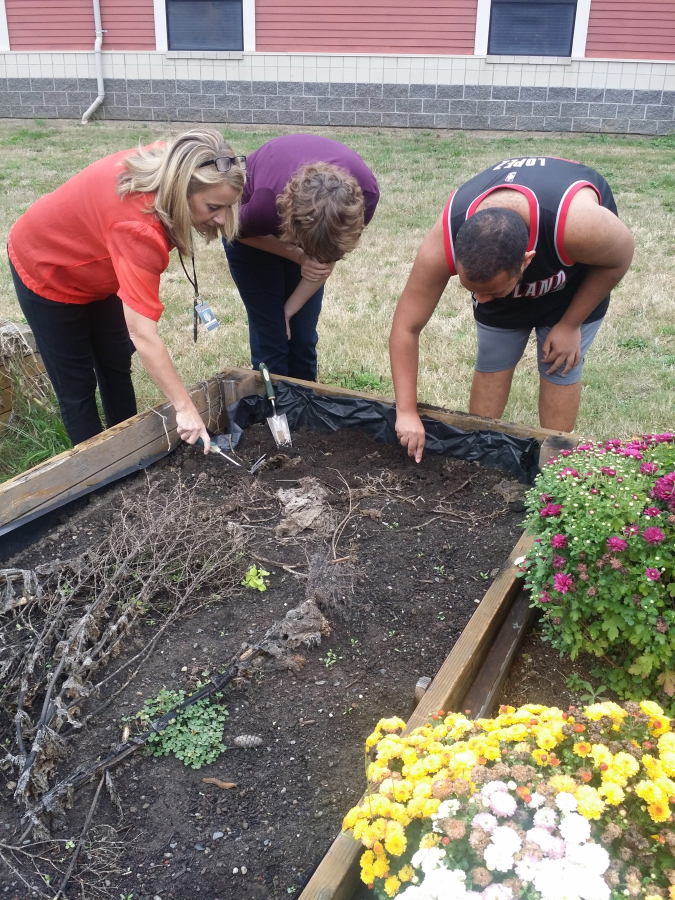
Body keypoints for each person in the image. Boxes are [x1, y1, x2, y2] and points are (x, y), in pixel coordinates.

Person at [8, 128, 246, 450]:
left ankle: (126, 452)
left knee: (115, 361)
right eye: (213, 207)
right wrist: (185, 407)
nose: (221, 218)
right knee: (76, 385)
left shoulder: (183, 161)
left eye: (227, 207)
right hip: (47, 267)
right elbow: (143, 334)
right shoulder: (138, 228)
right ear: (181, 189)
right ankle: (94, 478)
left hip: (101, 264)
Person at [389, 155, 634, 462]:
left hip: (572, 280)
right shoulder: (445, 239)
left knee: (558, 363)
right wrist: (407, 411)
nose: (482, 300)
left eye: (491, 291)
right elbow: (406, 327)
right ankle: (480, 454)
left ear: (527, 261)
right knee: (494, 358)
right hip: (513, 261)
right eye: (473, 289)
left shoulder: (579, 226)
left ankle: (556, 463)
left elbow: (619, 259)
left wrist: (571, 324)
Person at [224, 133, 379, 381]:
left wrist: (288, 311)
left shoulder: (364, 196)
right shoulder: (264, 204)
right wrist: (297, 256)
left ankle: (305, 409)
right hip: (251, 238)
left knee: (302, 338)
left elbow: (325, 260)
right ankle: (274, 413)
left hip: (300, 233)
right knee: (271, 339)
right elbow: (232, 230)